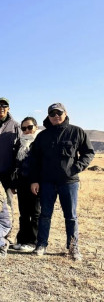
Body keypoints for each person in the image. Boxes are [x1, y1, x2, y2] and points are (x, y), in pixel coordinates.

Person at [30, 103, 94, 260]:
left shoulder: (76, 132)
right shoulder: (42, 136)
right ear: (48, 117)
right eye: (52, 114)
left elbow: (88, 153)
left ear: (65, 113)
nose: (56, 116)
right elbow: (34, 160)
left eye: (59, 112)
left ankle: (73, 247)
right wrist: (34, 180)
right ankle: (41, 245)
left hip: (69, 182)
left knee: (71, 216)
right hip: (46, 182)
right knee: (45, 214)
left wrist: (75, 168)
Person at [10, 117, 40, 252]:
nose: (27, 130)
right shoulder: (19, 144)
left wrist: (37, 180)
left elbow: (42, 164)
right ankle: (22, 240)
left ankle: (33, 242)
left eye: (30, 127)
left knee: (35, 213)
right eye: (24, 128)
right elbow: (16, 164)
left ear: (36, 127)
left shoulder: (40, 142)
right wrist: (14, 183)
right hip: (22, 182)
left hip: (36, 182)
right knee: (23, 213)